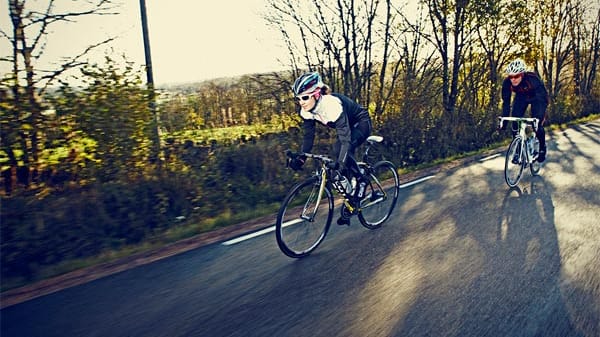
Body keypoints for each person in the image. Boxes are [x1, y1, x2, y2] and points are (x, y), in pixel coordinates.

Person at [287, 71, 372, 225]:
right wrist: (301, 158)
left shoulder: (331, 105)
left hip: (361, 123)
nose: (302, 102)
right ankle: (352, 200)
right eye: (298, 98)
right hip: (347, 126)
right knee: (340, 160)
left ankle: (362, 180)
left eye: (305, 97)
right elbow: (308, 137)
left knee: (339, 149)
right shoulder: (306, 111)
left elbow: (345, 141)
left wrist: (339, 165)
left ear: (317, 94)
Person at [501, 58, 549, 162]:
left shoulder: (532, 79)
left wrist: (539, 118)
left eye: (516, 76)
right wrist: (504, 122)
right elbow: (506, 103)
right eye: (511, 77)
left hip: (537, 97)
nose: (513, 79)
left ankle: (542, 148)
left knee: (537, 124)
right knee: (515, 120)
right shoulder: (506, 83)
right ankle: (518, 150)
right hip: (521, 97)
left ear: (522, 74)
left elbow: (543, 98)